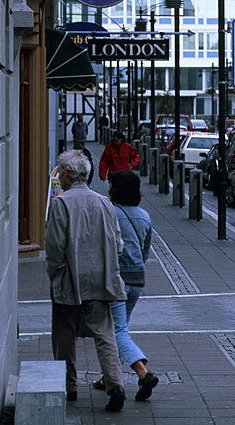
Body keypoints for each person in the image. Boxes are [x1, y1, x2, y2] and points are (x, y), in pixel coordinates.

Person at [44, 150, 127, 412]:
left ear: (67, 174)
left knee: (64, 335)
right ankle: (115, 384)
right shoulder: (105, 203)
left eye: (60, 172)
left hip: (70, 279)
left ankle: (69, 386)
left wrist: (55, 273)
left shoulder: (61, 203)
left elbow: (55, 246)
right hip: (100, 279)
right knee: (105, 333)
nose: (60, 177)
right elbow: (118, 243)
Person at [91, 170, 159, 401]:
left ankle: (143, 372)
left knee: (116, 331)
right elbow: (146, 251)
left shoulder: (110, 213)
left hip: (117, 279)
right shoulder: (144, 216)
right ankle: (108, 377)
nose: (107, 189)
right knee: (120, 328)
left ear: (116, 190)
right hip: (137, 280)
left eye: (110, 185)